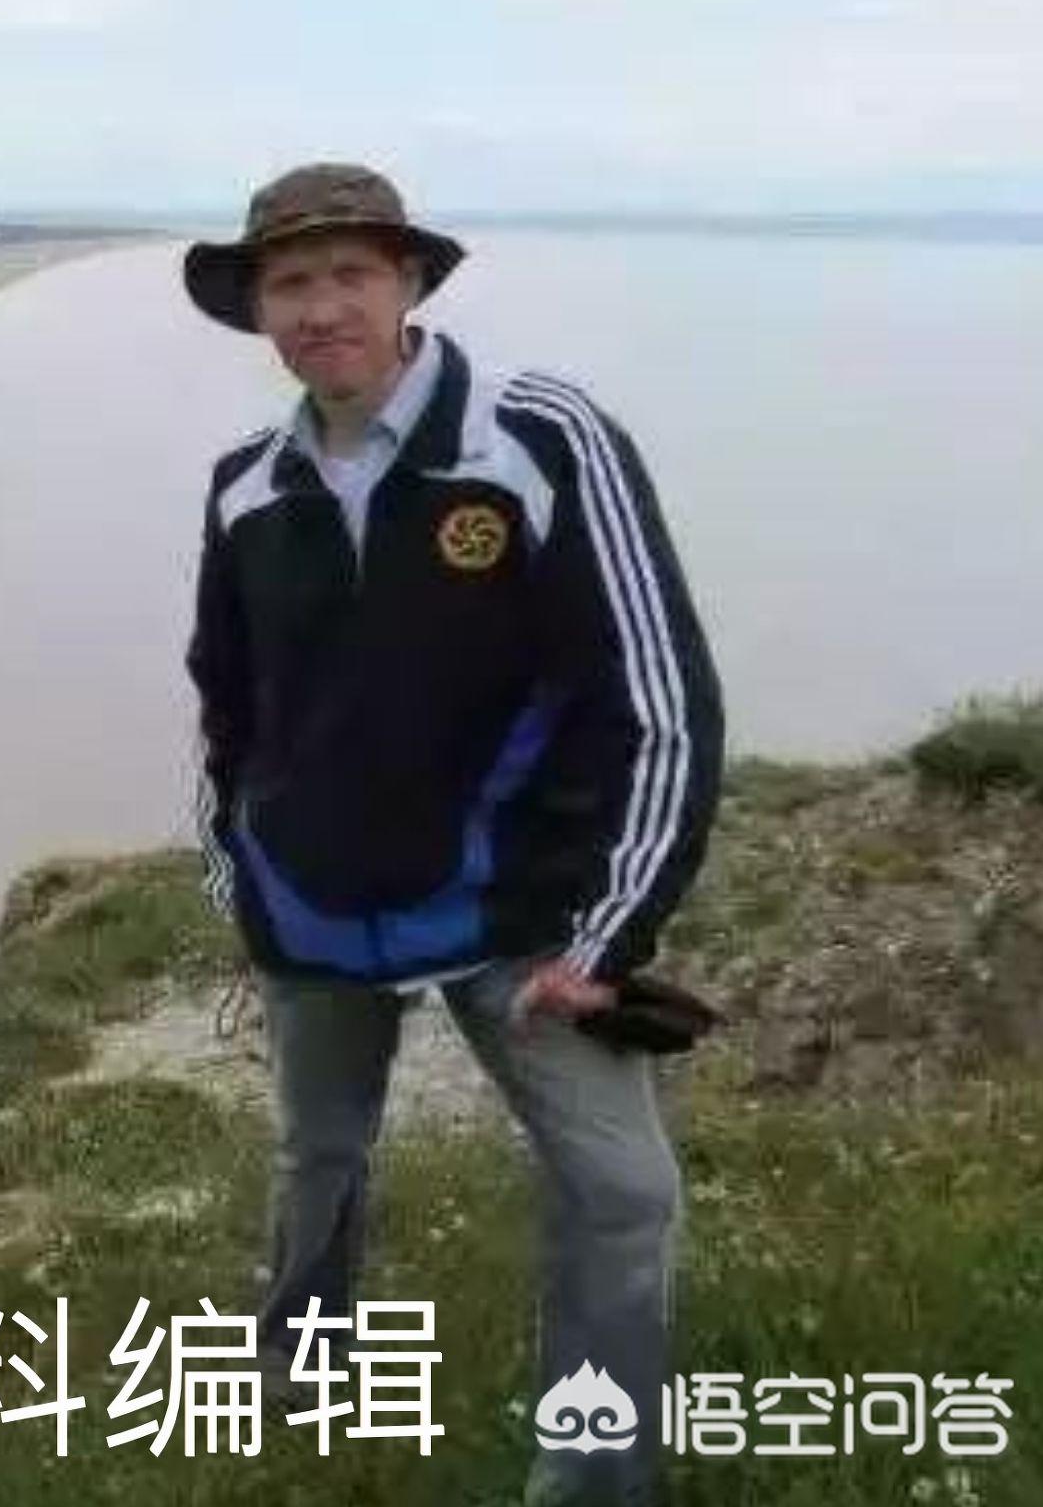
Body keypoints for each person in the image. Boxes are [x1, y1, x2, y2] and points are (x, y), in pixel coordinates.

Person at [179, 161, 725, 1506]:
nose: (321, 309)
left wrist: (611, 935)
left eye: (349, 274)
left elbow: (657, 696)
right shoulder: (246, 486)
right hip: (311, 907)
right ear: (259, 309)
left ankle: (592, 1479)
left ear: (409, 281)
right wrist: (236, 877)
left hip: (514, 913)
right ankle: (304, 1379)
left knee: (623, 1194)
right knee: (317, 1153)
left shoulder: (534, 438)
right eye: (289, 284)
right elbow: (226, 709)